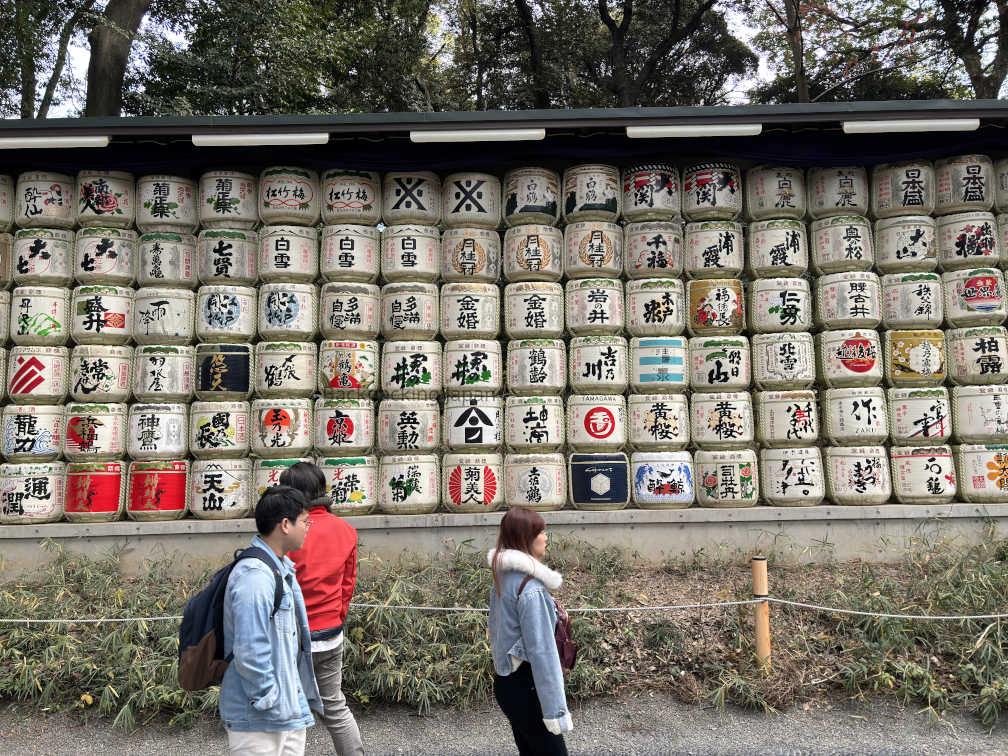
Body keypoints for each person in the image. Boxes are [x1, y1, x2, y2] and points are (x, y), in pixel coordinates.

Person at [219, 485, 323, 756]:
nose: (308, 527)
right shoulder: (255, 576)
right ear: (285, 525)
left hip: (284, 712)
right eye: (305, 521)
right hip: (259, 718)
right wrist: (269, 699)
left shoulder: (278, 568)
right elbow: (250, 650)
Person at [282, 461, 365, 756]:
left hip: (293, 635)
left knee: (290, 709)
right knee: (334, 705)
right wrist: (337, 615)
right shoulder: (345, 530)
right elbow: (348, 584)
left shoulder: (289, 530)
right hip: (330, 632)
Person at [488, 507, 572, 755]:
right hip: (528, 686)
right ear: (527, 537)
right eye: (542, 532)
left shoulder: (504, 576)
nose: (546, 537)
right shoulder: (531, 589)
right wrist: (556, 712)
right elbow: (543, 654)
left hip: (507, 683)